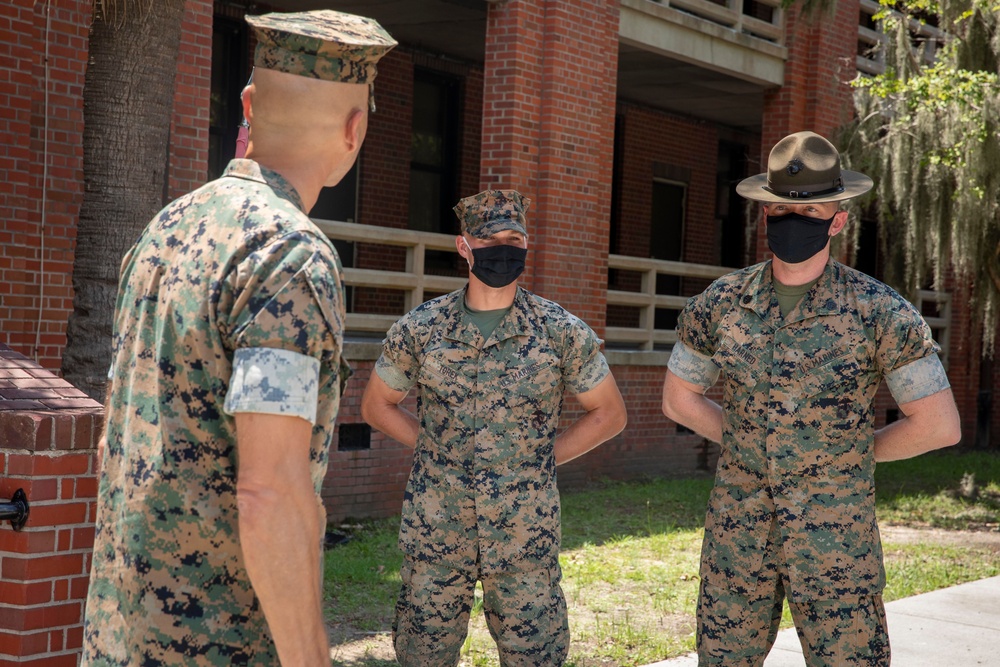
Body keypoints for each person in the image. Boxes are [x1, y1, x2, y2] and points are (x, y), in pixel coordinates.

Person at [81, 10, 395, 666]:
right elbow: (269, 491)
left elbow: (122, 431)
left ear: (249, 105)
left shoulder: (167, 226)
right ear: (355, 127)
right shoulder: (289, 255)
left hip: (116, 640)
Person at [661, 131, 962, 666]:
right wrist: (751, 442)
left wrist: (846, 454)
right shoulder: (720, 305)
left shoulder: (881, 313)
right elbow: (679, 398)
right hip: (738, 535)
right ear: (764, 214)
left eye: (810, 209)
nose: (791, 220)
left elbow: (938, 424)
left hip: (836, 542)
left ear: (838, 219)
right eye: (779, 209)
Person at [361, 189, 628, 666]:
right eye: (489, 240)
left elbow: (609, 412)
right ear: (464, 247)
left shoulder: (558, 330)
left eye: (515, 238)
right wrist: (436, 451)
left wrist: (542, 459)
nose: (503, 249)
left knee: (535, 657)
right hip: (436, 530)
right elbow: (378, 404)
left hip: (525, 533)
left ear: (527, 244)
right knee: (423, 656)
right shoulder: (422, 328)